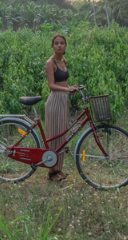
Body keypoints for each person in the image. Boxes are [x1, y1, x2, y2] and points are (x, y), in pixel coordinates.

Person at [45, 34, 79, 182]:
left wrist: (72, 88)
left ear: (65, 46)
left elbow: (64, 82)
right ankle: (52, 172)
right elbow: (52, 85)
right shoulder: (50, 62)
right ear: (52, 46)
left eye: (62, 43)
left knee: (62, 135)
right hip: (55, 101)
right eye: (56, 43)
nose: (59, 45)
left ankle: (58, 168)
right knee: (54, 135)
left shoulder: (64, 61)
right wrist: (66, 90)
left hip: (64, 101)